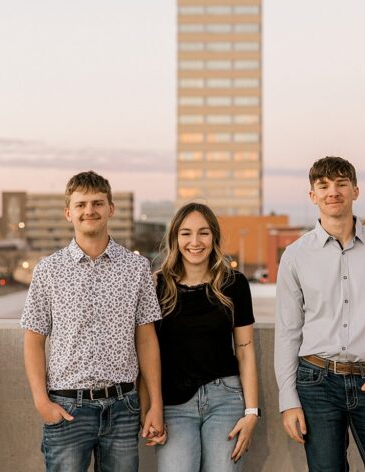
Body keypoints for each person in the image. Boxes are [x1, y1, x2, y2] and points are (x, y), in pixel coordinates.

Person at [274, 156, 365, 471]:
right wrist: (288, 400)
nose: (332, 192)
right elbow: (288, 332)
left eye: (341, 184)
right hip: (316, 383)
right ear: (313, 195)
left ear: (355, 190)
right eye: (323, 186)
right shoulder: (296, 256)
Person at [21, 171, 164, 471]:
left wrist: (155, 404)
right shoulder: (48, 271)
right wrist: (41, 403)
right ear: (68, 213)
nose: (90, 210)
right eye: (81, 204)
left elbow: (147, 339)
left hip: (123, 406)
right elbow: (34, 340)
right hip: (68, 406)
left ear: (110, 209)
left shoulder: (136, 268)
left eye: (98, 203)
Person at [141, 202, 260, 471]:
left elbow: (245, 350)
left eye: (203, 233)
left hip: (225, 400)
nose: (195, 242)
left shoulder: (234, 283)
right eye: (186, 233)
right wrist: (149, 407)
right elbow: (146, 351)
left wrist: (252, 413)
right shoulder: (156, 285)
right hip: (173, 405)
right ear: (175, 238)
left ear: (214, 237)